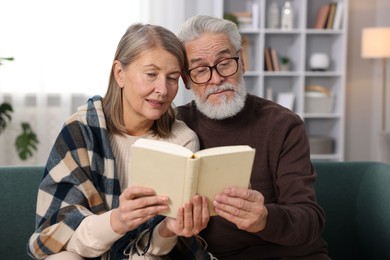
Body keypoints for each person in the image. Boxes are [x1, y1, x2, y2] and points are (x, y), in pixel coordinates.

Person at [27, 23, 212, 260]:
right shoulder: (81, 130)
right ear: (119, 73)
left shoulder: (182, 141)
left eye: (172, 78)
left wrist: (168, 229)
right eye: (151, 74)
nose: (163, 90)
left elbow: (156, 250)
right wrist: (118, 220)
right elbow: (56, 234)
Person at [176, 15, 330, 259]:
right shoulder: (174, 126)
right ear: (186, 80)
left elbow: (310, 220)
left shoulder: (283, 125)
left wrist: (264, 218)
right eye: (200, 70)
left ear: (242, 62)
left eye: (225, 63)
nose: (216, 79)